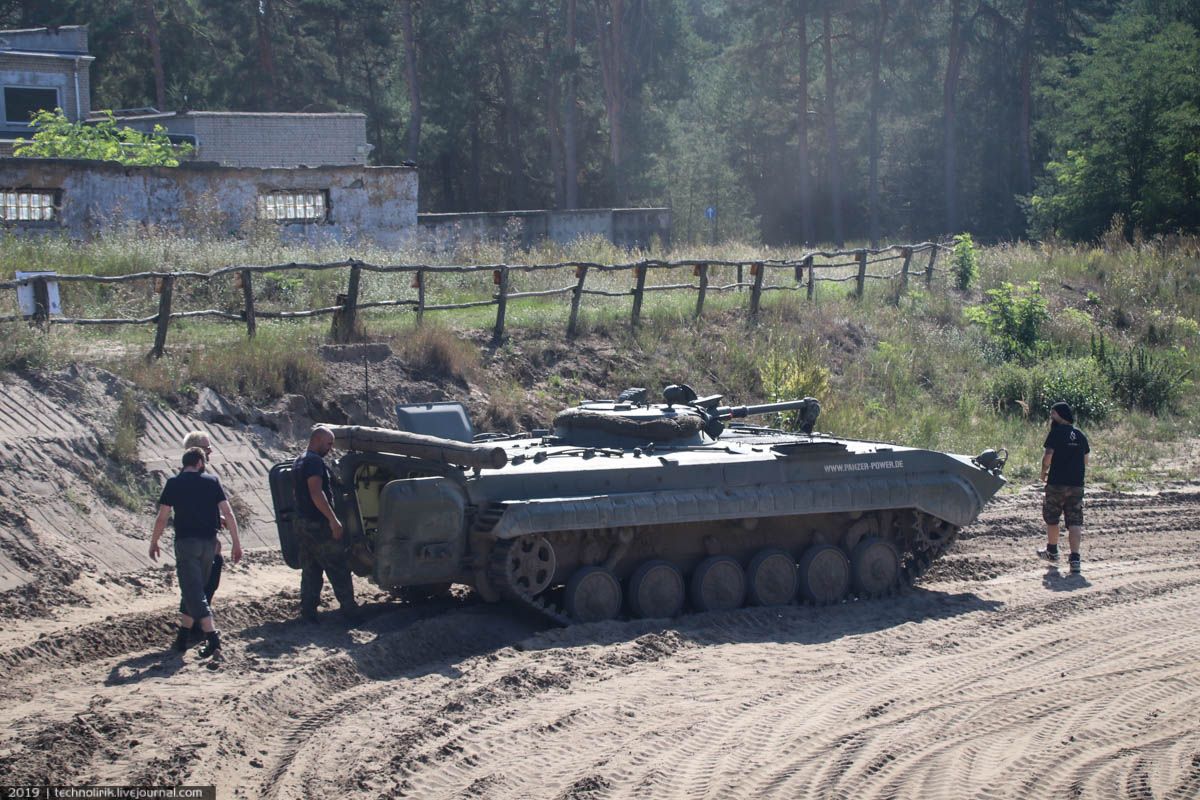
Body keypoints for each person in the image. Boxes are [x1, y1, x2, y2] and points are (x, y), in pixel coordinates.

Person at [150, 447, 242, 656]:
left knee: (194, 591)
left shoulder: (174, 483)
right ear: (200, 463)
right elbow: (227, 513)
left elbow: (162, 517)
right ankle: (182, 637)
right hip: (210, 544)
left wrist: (154, 541)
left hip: (186, 543)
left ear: (185, 463)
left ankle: (213, 639)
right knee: (194, 589)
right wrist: (236, 543)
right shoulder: (212, 481)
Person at [294, 426, 360, 623]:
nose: (330, 448)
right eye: (329, 443)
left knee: (311, 568)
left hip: (303, 522)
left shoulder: (300, 460)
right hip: (318, 523)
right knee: (337, 565)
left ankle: (308, 611)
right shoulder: (314, 462)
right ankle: (349, 610)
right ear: (318, 440)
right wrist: (333, 520)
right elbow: (316, 492)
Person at [1038, 401, 1090, 574]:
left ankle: (1052, 551)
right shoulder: (1081, 435)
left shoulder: (1056, 433)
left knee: (1052, 517)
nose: (1052, 417)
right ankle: (1075, 558)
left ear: (1061, 415)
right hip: (1076, 484)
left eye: (1053, 414)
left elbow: (1048, 457)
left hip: (1057, 483)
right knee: (1075, 520)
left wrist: (1043, 472)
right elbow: (1086, 460)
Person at [182, 430, 223, 631]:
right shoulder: (194, 478)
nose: (210, 451)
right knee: (199, 585)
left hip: (201, 538)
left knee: (199, 584)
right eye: (207, 447)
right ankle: (197, 628)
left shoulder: (193, 477)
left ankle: (194, 626)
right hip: (199, 541)